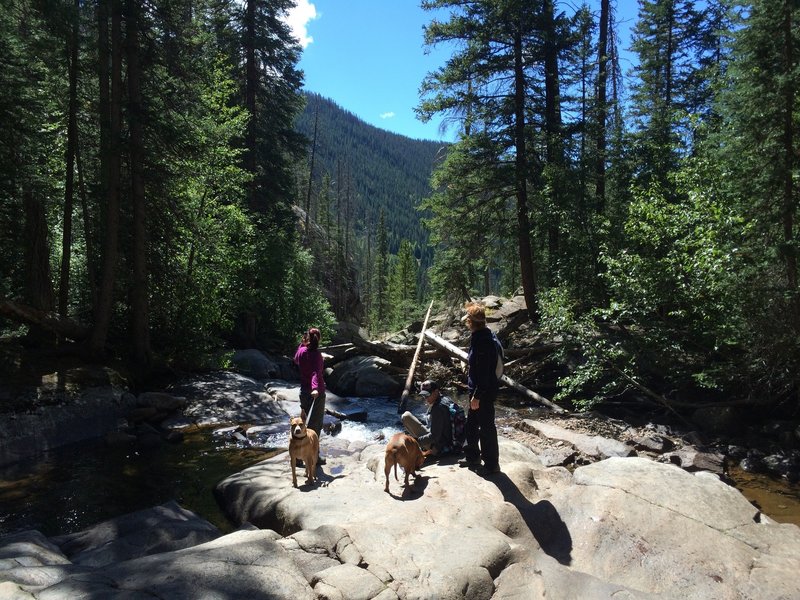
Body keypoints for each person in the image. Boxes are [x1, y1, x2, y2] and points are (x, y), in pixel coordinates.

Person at [458, 302, 501, 475]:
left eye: (467, 320)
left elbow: (484, 373)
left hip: (483, 392)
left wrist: (477, 396)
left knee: (487, 428)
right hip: (478, 391)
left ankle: (491, 465)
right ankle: (472, 456)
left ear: (471, 322)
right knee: (471, 424)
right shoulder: (482, 335)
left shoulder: (483, 342)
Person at [293, 327, 327, 465]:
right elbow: (316, 373)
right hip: (316, 394)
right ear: (318, 339)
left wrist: (302, 344)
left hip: (303, 392)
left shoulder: (301, 351)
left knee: (301, 425)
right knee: (315, 426)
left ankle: (298, 458)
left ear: (307, 338)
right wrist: (315, 388)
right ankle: (314, 457)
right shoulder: (316, 355)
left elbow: (296, 360)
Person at [401, 379, 453, 458]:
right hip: (450, 442)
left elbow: (435, 436)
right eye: (423, 395)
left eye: (428, 395)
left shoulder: (437, 408)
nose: (426, 398)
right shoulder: (446, 399)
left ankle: (429, 451)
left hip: (440, 447)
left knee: (406, 416)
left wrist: (416, 442)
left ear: (436, 392)